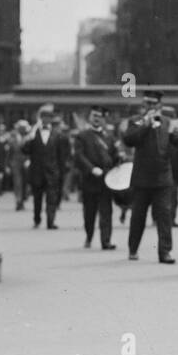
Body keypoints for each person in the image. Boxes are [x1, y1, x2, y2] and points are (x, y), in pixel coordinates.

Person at [124, 90, 178, 264]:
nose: (151, 108)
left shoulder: (167, 122)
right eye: (148, 105)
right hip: (142, 179)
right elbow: (129, 139)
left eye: (154, 105)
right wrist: (146, 124)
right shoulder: (135, 121)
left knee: (165, 216)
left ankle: (165, 252)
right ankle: (133, 249)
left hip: (162, 178)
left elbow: (177, 144)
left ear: (159, 106)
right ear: (143, 106)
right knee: (138, 217)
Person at [75, 106, 119, 250]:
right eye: (94, 115)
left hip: (106, 180)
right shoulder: (82, 136)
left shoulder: (109, 137)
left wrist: (119, 161)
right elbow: (79, 156)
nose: (96, 118)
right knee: (89, 212)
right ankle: (89, 235)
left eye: (99, 116)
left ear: (103, 119)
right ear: (89, 117)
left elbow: (114, 156)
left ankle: (106, 241)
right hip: (90, 180)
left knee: (106, 212)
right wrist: (91, 169)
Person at [23, 112, 70, 229]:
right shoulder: (34, 134)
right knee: (37, 199)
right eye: (44, 118)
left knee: (52, 199)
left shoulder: (58, 135)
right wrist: (29, 138)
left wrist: (61, 172)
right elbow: (24, 150)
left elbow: (61, 156)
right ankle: (37, 219)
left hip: (52, 172)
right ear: (41, 119)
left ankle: (50, 221)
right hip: (37, 172)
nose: (46, 120)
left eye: (48, 118)